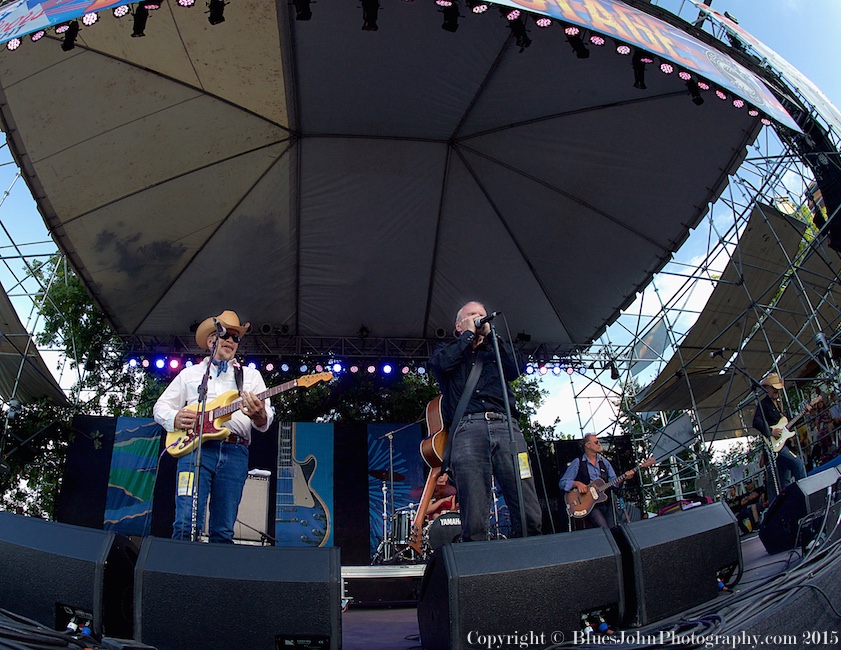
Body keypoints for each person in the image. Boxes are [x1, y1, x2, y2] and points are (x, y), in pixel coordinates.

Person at [154, 310, 274, 543]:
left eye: (236, 337)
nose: (231, 340)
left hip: (235, 451)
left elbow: (264, 420)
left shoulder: (251, 376)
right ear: (211, 340)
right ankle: (177, 575)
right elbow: (160, 407)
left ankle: (214, 579)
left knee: (223, 530)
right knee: (186, 524)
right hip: (195, 450)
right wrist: (175, 419)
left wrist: (259, 415)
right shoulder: (190, 374)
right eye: (226, 334)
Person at [429, 300, 542, 542]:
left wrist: (493, 338)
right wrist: (467, 337)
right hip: (468, 430)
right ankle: (477, 569)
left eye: (481, 315)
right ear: (459, 325)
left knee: (527, 506)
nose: (479, 318)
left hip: (507, 428)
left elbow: (515, 369)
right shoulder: (446, 348)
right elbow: (440, 365)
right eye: (471, 315)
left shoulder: (496, 350)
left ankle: (530, 559)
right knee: (474, 513)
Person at [559, 433, 635, 529]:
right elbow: (563, 482)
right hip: (589, 505)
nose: (599, 444)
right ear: (587, 444)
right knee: (604, 529)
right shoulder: (577, 462)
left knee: (614, 529)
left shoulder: (604, 462)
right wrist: (577, 484)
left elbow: (614, 483)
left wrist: (624, 477)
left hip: (606, 502)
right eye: (596, 442)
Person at [752, 373, 806, 488]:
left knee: (784, 480)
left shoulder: (780, 405)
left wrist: (804, 413)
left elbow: (789, 423)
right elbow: (756, 422)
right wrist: (770, 432)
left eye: (778, 389)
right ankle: (805, 492)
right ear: (767, 389)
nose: (777, 391)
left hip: (784, 444)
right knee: (798, 464)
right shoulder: (764, 404)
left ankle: (791, 503)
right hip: (775, 447)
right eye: (774, 388)